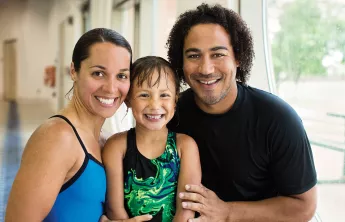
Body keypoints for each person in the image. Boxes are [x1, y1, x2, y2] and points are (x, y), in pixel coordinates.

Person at [166, 3, 317, 222]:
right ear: (181, 62)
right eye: (193, 56)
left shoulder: (278, 119)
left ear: (238, 57)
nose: (206, 69)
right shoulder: (169, 113)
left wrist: (227, 212)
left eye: (218, 54)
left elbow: (304, 206)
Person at [5, 28, 149, 222]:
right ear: (74, 71)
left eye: (121, 76)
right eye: (98, 73)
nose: (111, 88)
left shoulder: (106, 140)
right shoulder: (57, 137)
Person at [102, 56, 201, 222]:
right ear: (128, 99)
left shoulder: (185, 146)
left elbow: (186, 210)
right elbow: (114, 209)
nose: (154, 105)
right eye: (144, 95)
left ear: (175, 99)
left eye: (164, 95)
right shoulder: (117, 146)